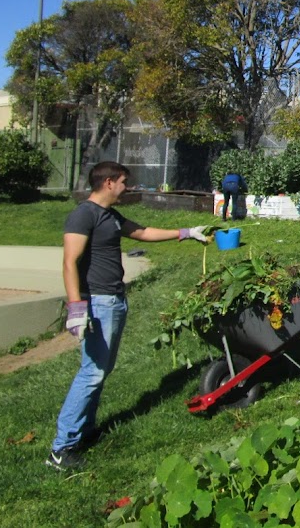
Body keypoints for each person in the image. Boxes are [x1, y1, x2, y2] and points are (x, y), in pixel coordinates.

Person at [47, 161, 211, 471]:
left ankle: (82, 432)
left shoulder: (109, 215)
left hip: (114, 300)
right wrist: (76, 308)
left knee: (99, 371)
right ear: (108, 183)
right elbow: (70, 261)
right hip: (97, 303)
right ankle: (62, 447)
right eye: (124, 182)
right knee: (91, 372)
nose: (128, 187)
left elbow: (142, 232)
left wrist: (187, 232)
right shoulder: (84, 214)